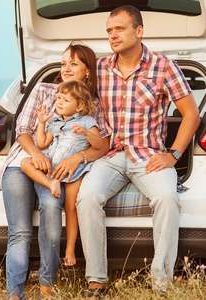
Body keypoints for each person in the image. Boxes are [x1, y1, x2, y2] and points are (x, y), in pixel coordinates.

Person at [76, 5, 200, 298]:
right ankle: (96, 281)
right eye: (109, 30)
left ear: (139, 31)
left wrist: (173, 155)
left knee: (168, 198)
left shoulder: (163, 66)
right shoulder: (101, 69)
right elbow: (72, 93)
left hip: (149, 155)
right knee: (88, 197)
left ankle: (161, 283)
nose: (113, 35)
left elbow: (191, 115)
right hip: (111, 156)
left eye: (119, 28)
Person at [0, 42, 111, 300]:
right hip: (23, 162)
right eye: (63, 63)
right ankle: (14, 293)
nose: (66, 68)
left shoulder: (92, 105)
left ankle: (47, 285)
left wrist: (78, 158)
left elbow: (102, 145)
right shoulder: (43, 89)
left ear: (88, 71)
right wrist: (36, 153)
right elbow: (22, 131)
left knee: (51, 206)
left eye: (74, 63)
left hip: (53, 172)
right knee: (20, 231)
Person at [21, 80, 104, 267]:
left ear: (79, 105)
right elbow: (41, 143)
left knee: (71, 209)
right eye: (58, 98)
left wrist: (86, 133)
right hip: (53, 165)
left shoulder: (87, 121)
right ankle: (50, 183)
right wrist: (42, 123)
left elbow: (99, 144)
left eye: (65, 100)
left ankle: (70, 249)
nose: (58, 102)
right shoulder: (55, 121)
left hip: (74, 171)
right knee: (26, 162)